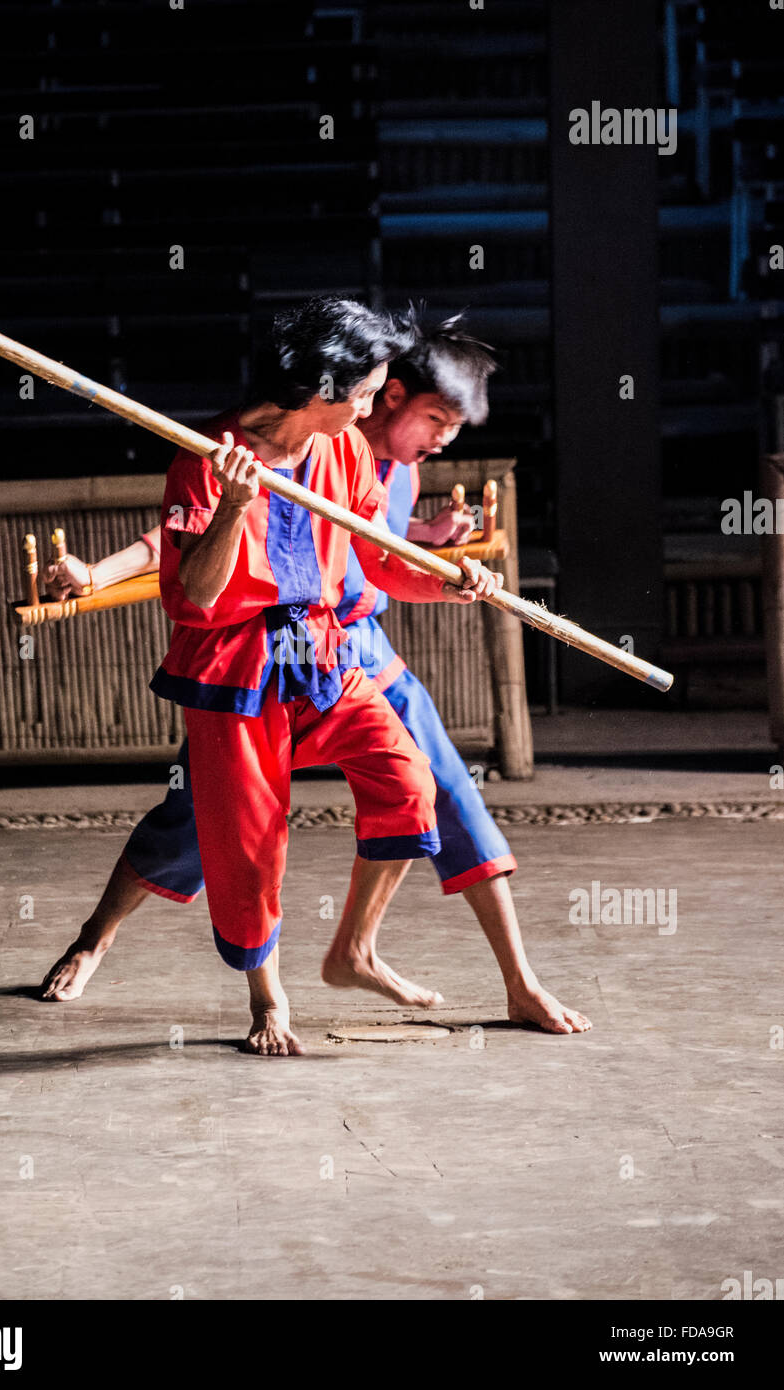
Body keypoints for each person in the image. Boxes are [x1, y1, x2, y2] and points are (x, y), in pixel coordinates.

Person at [41, 305, 591, 1045]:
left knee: (410, 781)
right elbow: (194, 597)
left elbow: (382, 562)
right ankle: (265, 1001)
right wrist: (234, 506)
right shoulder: (207, 458)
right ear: (323, 388)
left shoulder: (345, 454)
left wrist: (449, 580)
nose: (370, 409)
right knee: (239, 837)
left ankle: (354, 949)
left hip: (326, 654)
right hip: (236, 669)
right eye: (364, 394)